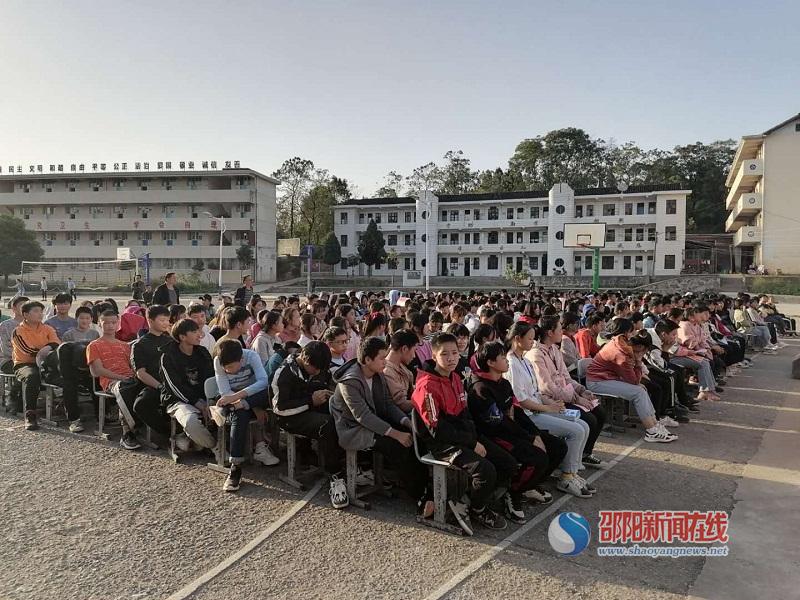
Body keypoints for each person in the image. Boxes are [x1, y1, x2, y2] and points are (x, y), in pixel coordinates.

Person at [411, 333, 508, 534]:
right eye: (444, 354)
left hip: (463, 435)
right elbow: (437, 429)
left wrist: (474, 438)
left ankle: (466, 498)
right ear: (434, 356)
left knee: (506, 461)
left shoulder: (456, 377)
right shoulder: (427, 386)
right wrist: (471, 444)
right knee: (485, 470)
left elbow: (465, 413)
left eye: (454, 353)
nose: (451, 358)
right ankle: (477, 508)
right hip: (441, 443)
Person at [468, 341, 570, 522]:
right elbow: (499, 423)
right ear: (491, 362)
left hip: (513, 430)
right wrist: (529, 438)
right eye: (502, 357)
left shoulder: (504, 383)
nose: (507, 360)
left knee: (558, 446)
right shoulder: (481, 389)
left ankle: (529, 485)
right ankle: (514, 492)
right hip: (495, 436)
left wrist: (535, 434)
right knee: (537, 457)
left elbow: (518, 412)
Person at [330, 336, 431, 514]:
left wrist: (406, 422)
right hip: (353, 429)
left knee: (417, 436)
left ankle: (427, 488)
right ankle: (419, 496)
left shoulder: (378, 375)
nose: (385, 361)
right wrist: (395, 434)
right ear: (367, 360)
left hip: (375, 421)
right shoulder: (350, 382)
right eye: (381, 358)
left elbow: (388, 404)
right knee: (396, 446)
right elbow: (363, 416)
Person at [504, 321, 598, 499]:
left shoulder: (524, 359)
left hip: (540, 407)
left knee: (582, 424)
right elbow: (522, 401)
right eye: (530, 338)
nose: (533, 342)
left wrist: (553, 405)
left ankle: (572, 471)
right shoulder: (512, 363)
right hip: (528, 415)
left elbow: (535, 392)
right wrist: (548, 407)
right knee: (576, 431)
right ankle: (566, 476)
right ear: (517, 339)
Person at [270, 341, 347, 508]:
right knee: (327, 425)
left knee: (342, 412)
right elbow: (280, 408)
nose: (318, 372)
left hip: (311, 407)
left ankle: (352, 465)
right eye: (315, 368)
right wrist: (310, 401)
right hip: (290, 416)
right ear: (305, 359)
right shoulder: (284, 373)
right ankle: (336, 476)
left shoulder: (317, 365)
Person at [585, 318, 678, 443]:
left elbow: (633, 379)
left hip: (605, 378)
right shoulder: (622, 353)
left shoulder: (620, 343)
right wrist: (639, 361)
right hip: (597, 382)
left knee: (641, 389)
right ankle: (651, 430)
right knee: (638, 392)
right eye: (632, 331)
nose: (634, 334)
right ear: (625, 333)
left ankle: (655, 424)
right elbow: (633, 380)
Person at [210, 340, 274, 492]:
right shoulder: (218, 362)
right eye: (225, 368)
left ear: (241, 360)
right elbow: (225, 391)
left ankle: (237, 465)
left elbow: (263, 382)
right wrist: (242, 402)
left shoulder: (251, 357)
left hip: (252, 396)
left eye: (231, 367)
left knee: (270, 393)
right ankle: (236, 466)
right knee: (240, 414)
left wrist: (242, 399)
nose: (228, 371)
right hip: (234, 401)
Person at [160, 319, 217, 453]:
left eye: (198, 330)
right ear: (182, 337)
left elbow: (212, 378)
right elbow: (174, 386)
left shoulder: (202, 352)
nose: (199, 334)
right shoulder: (168, 356)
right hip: (178, 400)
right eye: (194, 331)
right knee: (191, 421)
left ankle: (193, 441)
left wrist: (210, 400)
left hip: (204, 397)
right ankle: (215, 447)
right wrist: (196, 402)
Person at [86, 311, 141, 450]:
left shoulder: (125, 345)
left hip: (130, 378)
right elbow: (97, 370)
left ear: (118, 324)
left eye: (113, 322)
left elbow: (133, 366)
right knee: (124, 389)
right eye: (106, 323)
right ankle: (127, 432)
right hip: (111, 382)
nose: (110, 326)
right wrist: (122, 378)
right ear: (99, 323)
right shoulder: (94, 345)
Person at [12, 301, 61, 430]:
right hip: (25, 364)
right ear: (25, 314)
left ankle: (68, 410)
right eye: (36, 311)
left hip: (47, 361)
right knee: (33, 376)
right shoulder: (18, 331)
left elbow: (57, 343)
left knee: (65, 374)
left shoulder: (47, 328)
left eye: (41, 311)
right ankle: (30, 415)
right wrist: (46, 350)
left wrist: (47, 349)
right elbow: (28, 350)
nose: (40, 314)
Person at [128, 305, 174, 437]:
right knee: (141, 405)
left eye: (167, 320)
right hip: (154, 384)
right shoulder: (140, 345)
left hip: (174, 382)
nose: (166, 323)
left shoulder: (171, 341)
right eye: (162, 320)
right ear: (150, 321)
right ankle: (169, 434)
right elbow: (141, 373)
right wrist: (160, 386)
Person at [0, 296, 27, 412]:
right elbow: (5, 348)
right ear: (14, 308)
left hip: (29, 360)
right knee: (24, 372)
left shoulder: (34, 324)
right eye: (22, 305)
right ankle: (14, 398)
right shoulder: (6, 325)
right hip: (8, 360)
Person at [382, 330, 418, 413]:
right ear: (404, 349)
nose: (414, 356)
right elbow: (402, 405)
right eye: (414, 350)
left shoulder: (401, 367)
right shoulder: (387, 372)